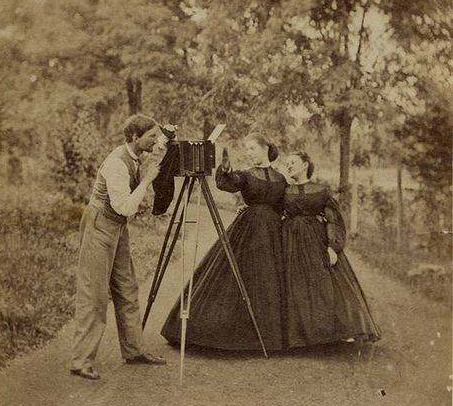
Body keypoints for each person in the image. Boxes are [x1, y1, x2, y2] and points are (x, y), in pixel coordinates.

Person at [161, 133, 287, 351]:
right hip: (249, 231)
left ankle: (270, 337)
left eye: (252, 149)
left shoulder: (281, 178)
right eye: (246, 149)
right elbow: (230, 183)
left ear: (266, 148)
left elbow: (283, 205)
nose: (249, 153)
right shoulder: (246, 175)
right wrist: (226, 169)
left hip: (273, 233)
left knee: (269, 278)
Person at [70, 114, 169, 380]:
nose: (155, 140)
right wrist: (148, 180)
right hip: (100, 224)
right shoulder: (116, 163)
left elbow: (157, 152)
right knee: (95, 294)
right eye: (151, 136)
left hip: (118, 227)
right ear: (135, 138)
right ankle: (81, 361)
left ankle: (134, 350)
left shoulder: (137, 154)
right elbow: (124, 206)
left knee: (127, 287)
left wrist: (163, 144)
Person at [282, 151, 381, 349]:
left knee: (326, 284)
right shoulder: (285, 191)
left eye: (293, 163)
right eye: (287, 164)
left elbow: (334, 219)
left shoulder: (321, 191)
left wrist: (333, 247)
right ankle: (301, 338)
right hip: (291, 243)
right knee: (296, 286)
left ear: (305, 165)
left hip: (316, 242)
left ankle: (335, 333)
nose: (289, 166)